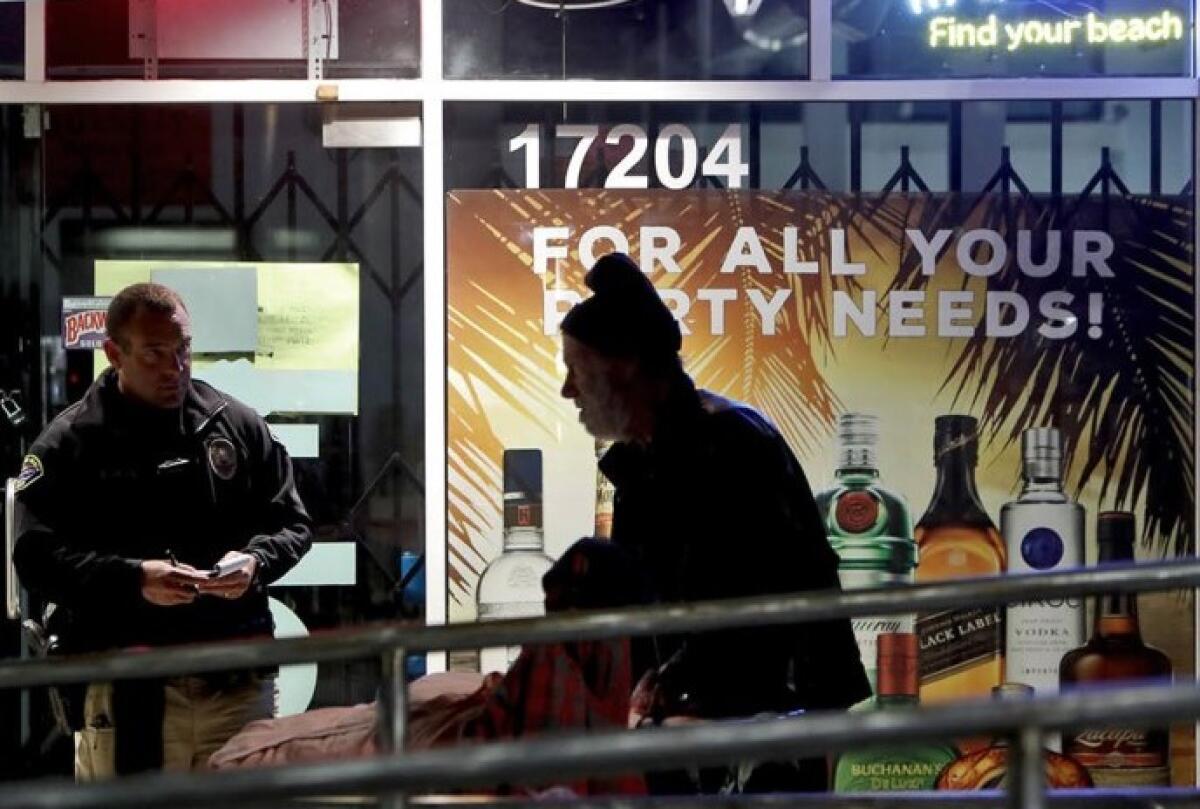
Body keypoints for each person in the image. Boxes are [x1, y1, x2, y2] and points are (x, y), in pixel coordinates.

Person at [559, 252, 870, 793]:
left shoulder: (732, 446)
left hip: (766, 733)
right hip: (706, 730)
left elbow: (751, 609)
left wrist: (667, 691)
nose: (568, 390)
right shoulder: (645, 459)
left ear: (625, 366)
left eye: (576, 370)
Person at [13, 282, 313, 779]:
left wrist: (255, 563)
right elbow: (35, 557)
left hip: (233, 681)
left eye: (184, 350)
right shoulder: (70, 445)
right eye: (155, 353)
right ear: (114, 353)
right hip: (129, 688)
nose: (175, 368)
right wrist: (132, 580)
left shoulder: (233, 424)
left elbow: (293, 524)